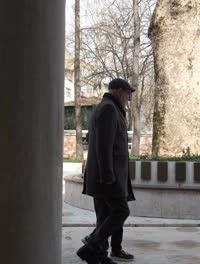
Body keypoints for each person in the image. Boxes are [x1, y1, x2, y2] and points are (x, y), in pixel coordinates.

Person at [76, 78, 136, 264]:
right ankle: (91, 246)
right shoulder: (109, 109)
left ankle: (103, 253)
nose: (129, 98)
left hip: (108, 175)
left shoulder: (108, 107)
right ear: (118, 91)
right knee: (120, 211)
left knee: (106, 215)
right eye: (128, 94)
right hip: (108, 177)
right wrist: (108, 176)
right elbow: (103, 146)